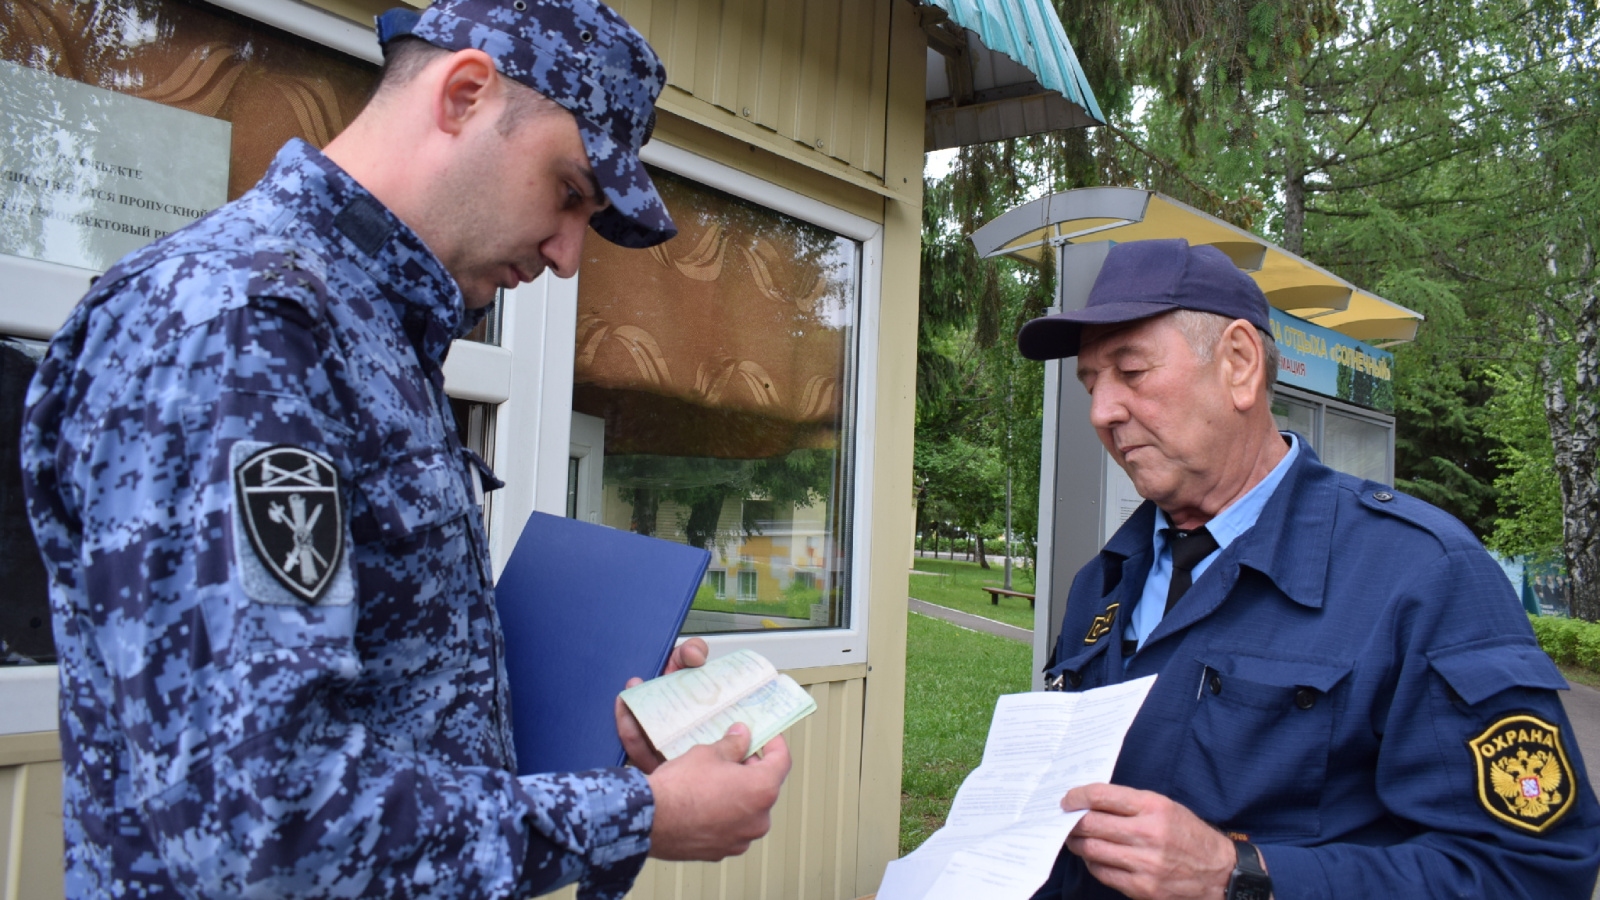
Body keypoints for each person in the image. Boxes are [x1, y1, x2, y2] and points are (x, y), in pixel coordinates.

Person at [19, 1, 790, 898]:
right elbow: (258, 825)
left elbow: (398, 714)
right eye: (569, 192)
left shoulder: (367, 328)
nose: (568, 255)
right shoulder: (244, 329)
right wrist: (635, 815)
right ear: (463, 94)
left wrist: (616, 764)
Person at [1015, 238, 1600, 900]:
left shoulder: (1423, 578)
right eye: (1091, 384)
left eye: (1131, 371)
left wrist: (1240, 876)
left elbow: (1529, 872)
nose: (1102, 412)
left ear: (1239, 364)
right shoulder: (1103, 580)